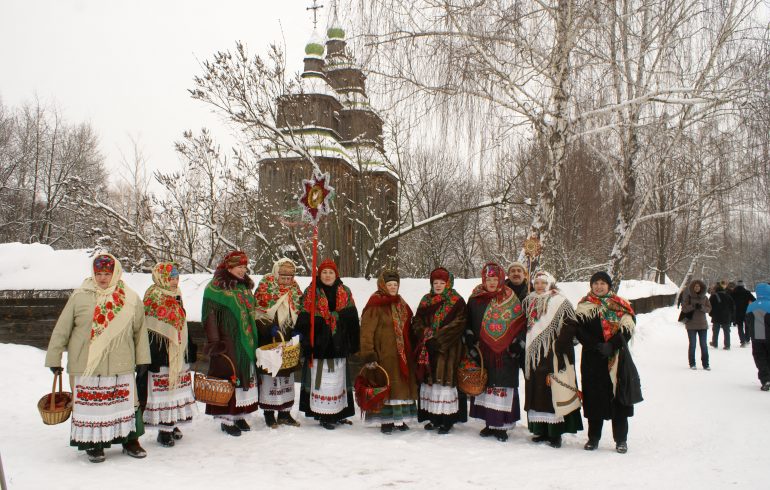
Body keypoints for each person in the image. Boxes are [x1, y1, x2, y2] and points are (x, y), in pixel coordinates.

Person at [45, 253, 150, 463]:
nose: (102, 278)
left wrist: (143, 360)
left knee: (125, 405)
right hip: (86, 365)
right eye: (99, 273)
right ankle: (93, 443)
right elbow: (62, 329)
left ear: (116, 273)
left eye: (107, 273)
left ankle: (130, 440)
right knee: (91, 408)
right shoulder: (80, 296)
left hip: (121, 363)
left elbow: (140, 332)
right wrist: (54, 358)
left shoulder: (130, 298)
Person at [561, 271, 636, 454]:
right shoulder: (584, 305)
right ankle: (593, 438)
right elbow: (579, 330)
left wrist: (611, 345)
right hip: (592, 359)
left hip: (616, 358)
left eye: (603, 283)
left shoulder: (621, 305)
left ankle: (621, 439)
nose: (599, 286)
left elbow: (627, 328)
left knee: (618, 400)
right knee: (594, 398)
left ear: (609, 286)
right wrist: (595, 346)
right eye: (596, 283)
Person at [137, 262, 198, 447]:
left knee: (176, 391)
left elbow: (181, 322)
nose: (174, 281)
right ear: (160, 278)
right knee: (163, 392)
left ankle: (173, 422)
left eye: (176, 278)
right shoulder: (153, 296)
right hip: (159, 353)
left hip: (178, 351)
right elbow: (147, 327)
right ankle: (164, 428)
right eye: (170, 278)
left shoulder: (176, 294)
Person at [465, 262, 527, 442]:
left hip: (506, 352)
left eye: (495, 279)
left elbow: (522, 323)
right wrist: (469, 338)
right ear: (484, 279)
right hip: (483, 349)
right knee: (486, 385)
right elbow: (467, 319)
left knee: (501, 386)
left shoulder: (511, 297)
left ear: (500, 279)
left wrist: (517, 343)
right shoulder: (475, 298)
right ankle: (488, 423)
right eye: (488, 279)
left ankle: (502, 426)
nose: (491, 282)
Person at [296, 259, 360, 429]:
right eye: (324, 272)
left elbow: (352, 316)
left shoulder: (344, 291)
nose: (327, 275)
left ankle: (339, 413)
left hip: (338, 341)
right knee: (321, 380)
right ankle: (324, 414)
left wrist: (352, 340)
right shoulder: (311, 291)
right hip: (319, 343)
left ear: (336, 274)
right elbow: (303, 315)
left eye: (331, 272)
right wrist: (313, 328)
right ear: (319, 274)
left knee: (338, 379)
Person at [202, 250, 260, 437]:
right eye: (238, 267)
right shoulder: (215, 288)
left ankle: (239, 414)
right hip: (227, 342)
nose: (242, 271)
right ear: (229, 267)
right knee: (228, 377)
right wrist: (215, 343)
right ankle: (226, 418)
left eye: (244, 267)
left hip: (246, 341)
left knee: (243, 377)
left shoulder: (244, 287)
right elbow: (209, 317)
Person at [523, 271, 582, 449]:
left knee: (552, 390)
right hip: (534, 354)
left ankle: (555, 433)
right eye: (537, 283)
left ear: (550, 283)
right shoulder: (529, 301)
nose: (540, 286)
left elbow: (572, 323)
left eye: (543, 283)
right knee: (537, 391)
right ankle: (540, 429)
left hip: (553, 353)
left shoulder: (560, 301)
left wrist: (559, 343)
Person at [360, 270, 418, 434]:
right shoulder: (375, 303)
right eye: (389, 285)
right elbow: (366, 331)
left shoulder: (401, 302)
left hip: (401, 354)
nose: (392, 288)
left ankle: (399, 420)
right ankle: (386, 421)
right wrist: (369, 354)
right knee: (386, 386)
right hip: (383, 354)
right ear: (382, 285)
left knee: (400, 387)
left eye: (395, 285)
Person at [411, 267, 468, 434]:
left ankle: (447, 420)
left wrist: (439, 339)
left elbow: (460, 322)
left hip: (447, 348)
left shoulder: (457, 301)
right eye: (435, 282)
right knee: (431, 383)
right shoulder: (425, 300)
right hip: (428, 347)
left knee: (444, 384)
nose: (438, 285)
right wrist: (424, 334)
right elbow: (417, 320)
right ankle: (433, 418)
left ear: (448, 283)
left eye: (442, 283)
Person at [254, 258, 303, 428]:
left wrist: (299, 329)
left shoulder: (295, 290)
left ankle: (285, 413)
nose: (287, 280)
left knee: (287, 377)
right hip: (269, 339)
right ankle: (269, 413)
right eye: (283, 276)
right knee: (270, 375)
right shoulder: (265, 287)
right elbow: (257, 313)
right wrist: (268, 327)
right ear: (276, 273)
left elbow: (301, 311)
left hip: (288, 340)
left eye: (290, 277)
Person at [680, 279, 712, 370]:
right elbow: (684, 309)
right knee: (693, 344)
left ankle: (706, 364)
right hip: (691, 325)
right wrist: (693, 306)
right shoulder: (688, 297)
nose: (697, 288)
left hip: (702, 324)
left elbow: (709, 309)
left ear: (701, 288)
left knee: (703, 345)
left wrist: (701, 307)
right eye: (695, 286)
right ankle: (692, 363)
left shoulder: (705, 298)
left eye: (698, 286)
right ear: (692, 288)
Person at [745, 283, 770, 391]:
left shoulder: (751, 306)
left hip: (756, 338)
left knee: (760, 358)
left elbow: (748, 322)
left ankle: (765, 379)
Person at [709, 283, 735, 350]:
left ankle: (714, 343)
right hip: (726, 316)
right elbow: (732, 306)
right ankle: (727, 345)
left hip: (716, 315)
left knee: (715, 330)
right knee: (726, 331)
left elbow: (709, 306)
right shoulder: (728, 296)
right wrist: (731, 314)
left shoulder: (713, 296)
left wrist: (711, 314)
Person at [730, 280, 756, 348]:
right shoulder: (747, 292)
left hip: (737, 312)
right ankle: (747, 339)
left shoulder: (733, 293)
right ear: (743, 285)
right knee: (747, 326)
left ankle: (742, 341)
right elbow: (754, 300)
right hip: (746, 311)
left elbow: (730, 301)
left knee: (740, 327)